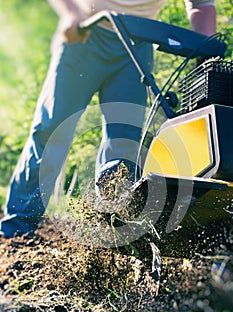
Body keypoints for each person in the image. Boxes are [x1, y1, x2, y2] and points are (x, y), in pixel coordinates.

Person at [0, 0, 216, 238]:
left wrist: (205, 54)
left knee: (124, 142)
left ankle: (109, 229)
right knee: (52, 130)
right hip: (84, 35)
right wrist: (71, 13)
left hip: (136, 43)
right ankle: (17, 230)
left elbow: (201, 4)